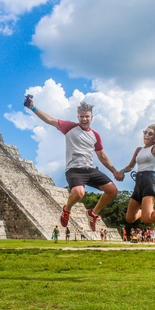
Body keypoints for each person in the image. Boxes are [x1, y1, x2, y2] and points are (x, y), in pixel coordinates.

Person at [24, 97, 120, 230]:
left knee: (113, 191)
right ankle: (66, 210)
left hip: (90, 169)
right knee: (79, 193)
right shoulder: (70, 127)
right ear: (78, 117)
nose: (84, 119)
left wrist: (113, 170)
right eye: (81, 116)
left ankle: (93, 213)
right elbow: (50, 119)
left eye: (87, 116)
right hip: (74, 169)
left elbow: (102, 156)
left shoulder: (95, 136)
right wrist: (33, 108)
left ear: (92, 117)